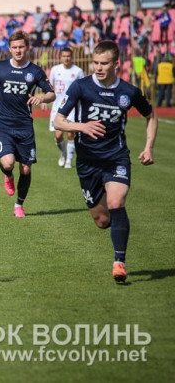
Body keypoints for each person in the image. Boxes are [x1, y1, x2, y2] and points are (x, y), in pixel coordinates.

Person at [53, 40, 157, 283]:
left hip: (116, 157)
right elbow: (58, 121)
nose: (98, 68)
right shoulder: (81, 87)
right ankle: (117, 225)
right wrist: (82, 127)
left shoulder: (129, 92)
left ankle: (119, 262)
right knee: (102, 221)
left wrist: (148, 147)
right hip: (87, 161)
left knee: (116, 201)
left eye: (104, 63)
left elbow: (150, 116)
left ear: (116, 64)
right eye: (95, 63)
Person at [0, 30, 56, 217]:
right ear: (9, 49)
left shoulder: (35, 71)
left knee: (26, 169)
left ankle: (19, 205)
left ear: (27, 47)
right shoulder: (0, 67)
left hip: (25, 127)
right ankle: (8, 175)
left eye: (21, 46)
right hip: (2, 124)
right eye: (14, 47)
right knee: (8, 163)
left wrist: (41, 98)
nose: (18, 50)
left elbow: (51, 93)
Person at [48, 47, 85, 169]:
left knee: (70, 134)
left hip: (72, 108)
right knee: (58, 136)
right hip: (57, 107)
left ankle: (69, 160)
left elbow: (83, 88)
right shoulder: (55, 70)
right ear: (60, 57)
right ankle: (63, 153)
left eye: (68, 56)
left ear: (71, 57)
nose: (66, 58)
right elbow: (50, 87)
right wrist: (45, 99)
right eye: (64, 56)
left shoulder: (78, 71)